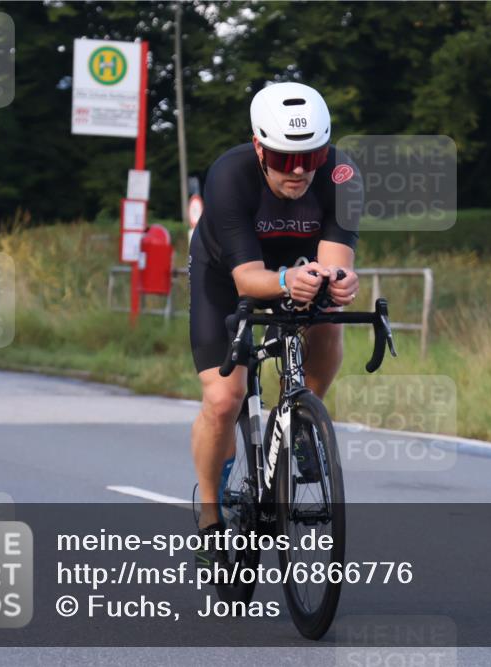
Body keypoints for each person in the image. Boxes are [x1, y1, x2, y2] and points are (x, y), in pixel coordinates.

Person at [187, 82, 362, 559]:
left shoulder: (342, 175)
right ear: (260, 147)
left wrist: (341, 281)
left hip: (296, 268)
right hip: (226, 275)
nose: (301, 169)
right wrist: (288, 279)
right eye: (286, 159)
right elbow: (247, 279)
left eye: (313, 155)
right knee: (224, 399)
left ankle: (305, 421)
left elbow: (334, 261)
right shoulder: (230, 174)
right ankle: (208, 515)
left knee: (327, 311)